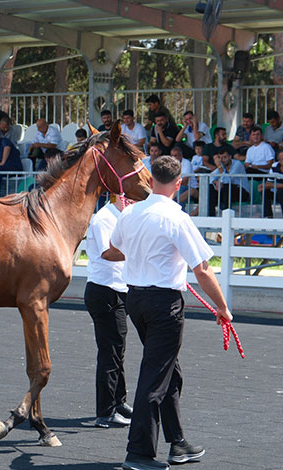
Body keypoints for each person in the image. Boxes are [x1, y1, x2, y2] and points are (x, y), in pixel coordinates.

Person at [106, 155, 232, 470]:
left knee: (167, 370)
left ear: (150, 180)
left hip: (136, 299)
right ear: (178, 183)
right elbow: (202, 269)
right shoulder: (176, 217)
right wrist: (222, 306)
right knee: (155, 374)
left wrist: (144, 256)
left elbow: (116, 249)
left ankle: (177, 442)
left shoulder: (130, 213)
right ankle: (139, 452)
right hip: (164, 303)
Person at [84, 199, 133, 429]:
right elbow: (108, 253)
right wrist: (139, 251)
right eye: (130, 197)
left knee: (117, 350)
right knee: (110, 351)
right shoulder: (105, 218)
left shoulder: (120, 216)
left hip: (115, 289)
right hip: (105, 290)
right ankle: (105, 411)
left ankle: (118, 401)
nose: (133, 201)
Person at [208, 150, 250, 216]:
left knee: (226, 187)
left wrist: (219, 166)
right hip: (228, 191)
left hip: (242, 192)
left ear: (230, 157)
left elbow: (228, 180)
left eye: (225, 157)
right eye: (221, 158)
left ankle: (226, 214)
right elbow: (211, 176)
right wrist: (216, 182)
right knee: (211, 188)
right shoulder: (222, 165)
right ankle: (211, 215)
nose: (223, 160)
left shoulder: (237, 164)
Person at [258, 150, 283, 218]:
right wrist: (264, 187)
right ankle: (268, 216)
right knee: (265, 191)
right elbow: (269, 182)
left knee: (281, 191)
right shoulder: (274, 166)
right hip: (278, 191)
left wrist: (267, 186)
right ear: (279, 160)